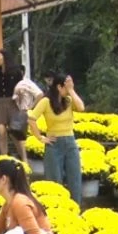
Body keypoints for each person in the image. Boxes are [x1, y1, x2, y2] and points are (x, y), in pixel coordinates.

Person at [28, 74, 85, 203]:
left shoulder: (69, 100)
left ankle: (76, 207)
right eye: (66, 86)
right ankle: (56, 207)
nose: (69, 89)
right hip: (54, 144)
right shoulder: (46, 101)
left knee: (75, 178)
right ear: (59, 87)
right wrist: (40, 137)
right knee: (54, 180)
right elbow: (31, 119)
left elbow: (81, 108)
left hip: (70, 142)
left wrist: (71, 90)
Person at [0, 50, 23, 158]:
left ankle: (24, 157)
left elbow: (21, 87)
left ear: (5, 57)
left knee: (15, 133)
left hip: (12, 103)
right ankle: (4, 157)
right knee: (1, 132)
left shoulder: (16, 72)